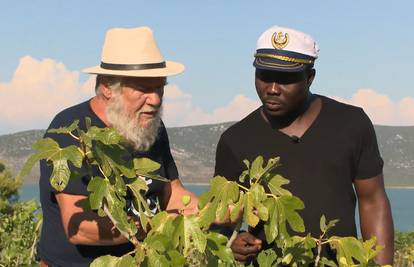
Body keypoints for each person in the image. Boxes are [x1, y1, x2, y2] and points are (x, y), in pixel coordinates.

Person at [214, 26, 394, 265]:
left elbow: (373, 201)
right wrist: (231, 244)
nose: (273, 88)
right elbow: (221, 220)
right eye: (264, 76)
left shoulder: (351, 124)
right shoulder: (235, 140)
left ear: (310, 77)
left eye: (286, 79)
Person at [37, 26, 198, 266]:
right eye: (143, 88)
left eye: (160, 88)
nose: (155, 100)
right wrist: (158, 225)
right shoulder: (71, 132)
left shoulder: (153, 128)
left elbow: (173, 194)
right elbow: (79, 228)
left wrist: (215, 209)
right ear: (106, 87)